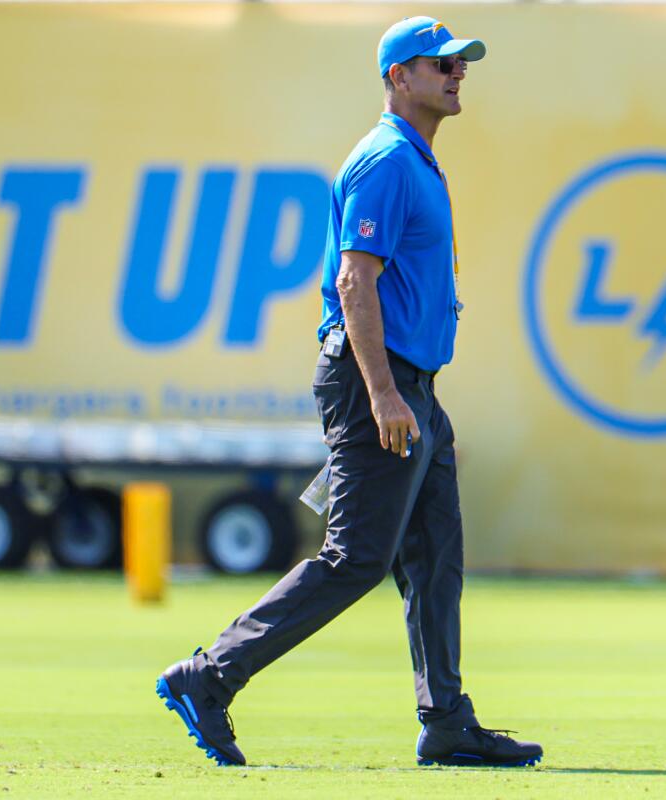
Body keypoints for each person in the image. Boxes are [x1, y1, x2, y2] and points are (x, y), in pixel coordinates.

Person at [155, 16, 543, 769]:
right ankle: (210, 676)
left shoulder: (417, 160)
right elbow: (353, 280)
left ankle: (447, 722)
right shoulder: (388, 161)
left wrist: (422, 404)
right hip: (379, 380)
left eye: (460, 64)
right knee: (355, 558)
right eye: (440, 64)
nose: (457, 73)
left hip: (410, 384)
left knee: (436, 555)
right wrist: (386, 398)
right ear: (398, 76)